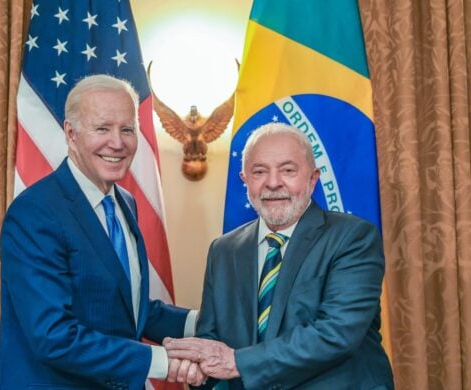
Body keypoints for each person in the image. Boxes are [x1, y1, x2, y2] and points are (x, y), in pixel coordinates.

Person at [0, 75, 204, 389]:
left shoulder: (125, 203)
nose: (117, 143)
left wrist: (202, 323)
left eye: (127, 129)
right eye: (102, 128)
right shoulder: (36, 213)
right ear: (71, 133)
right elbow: (53, 335)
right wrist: (162, 362)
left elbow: (123, 306)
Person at [164, 123, 394, 389]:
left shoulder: (352, 237)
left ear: (313, 178)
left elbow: (337, 333)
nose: (273, 183)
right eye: (259, 171)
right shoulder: (223, 250)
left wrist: (237, 362)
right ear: (245, 180)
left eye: (288, 170)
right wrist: (196, 367)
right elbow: (211, 340)